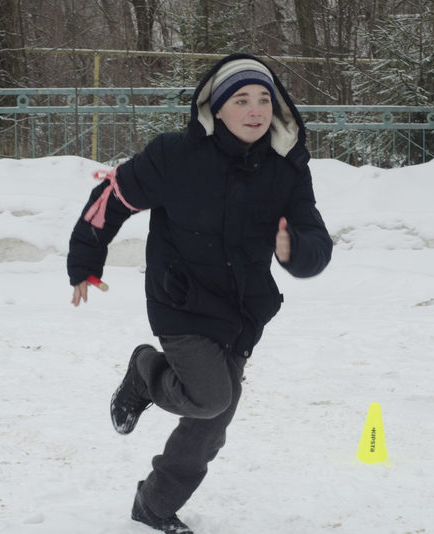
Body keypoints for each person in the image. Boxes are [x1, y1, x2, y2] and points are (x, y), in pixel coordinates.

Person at [67, 53, 333, 533]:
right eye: (242, 100)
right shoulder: (175, 156)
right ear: (216, 107)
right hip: (181, 300)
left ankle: (154, 503)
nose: (255, 111)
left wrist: (297, 252)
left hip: (242, 310)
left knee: (212, 423)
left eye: (264, 100)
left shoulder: (286, 168)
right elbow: (115, 195)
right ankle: (146, 371)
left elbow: (314, 236)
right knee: (210, 398)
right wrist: (85, 258)